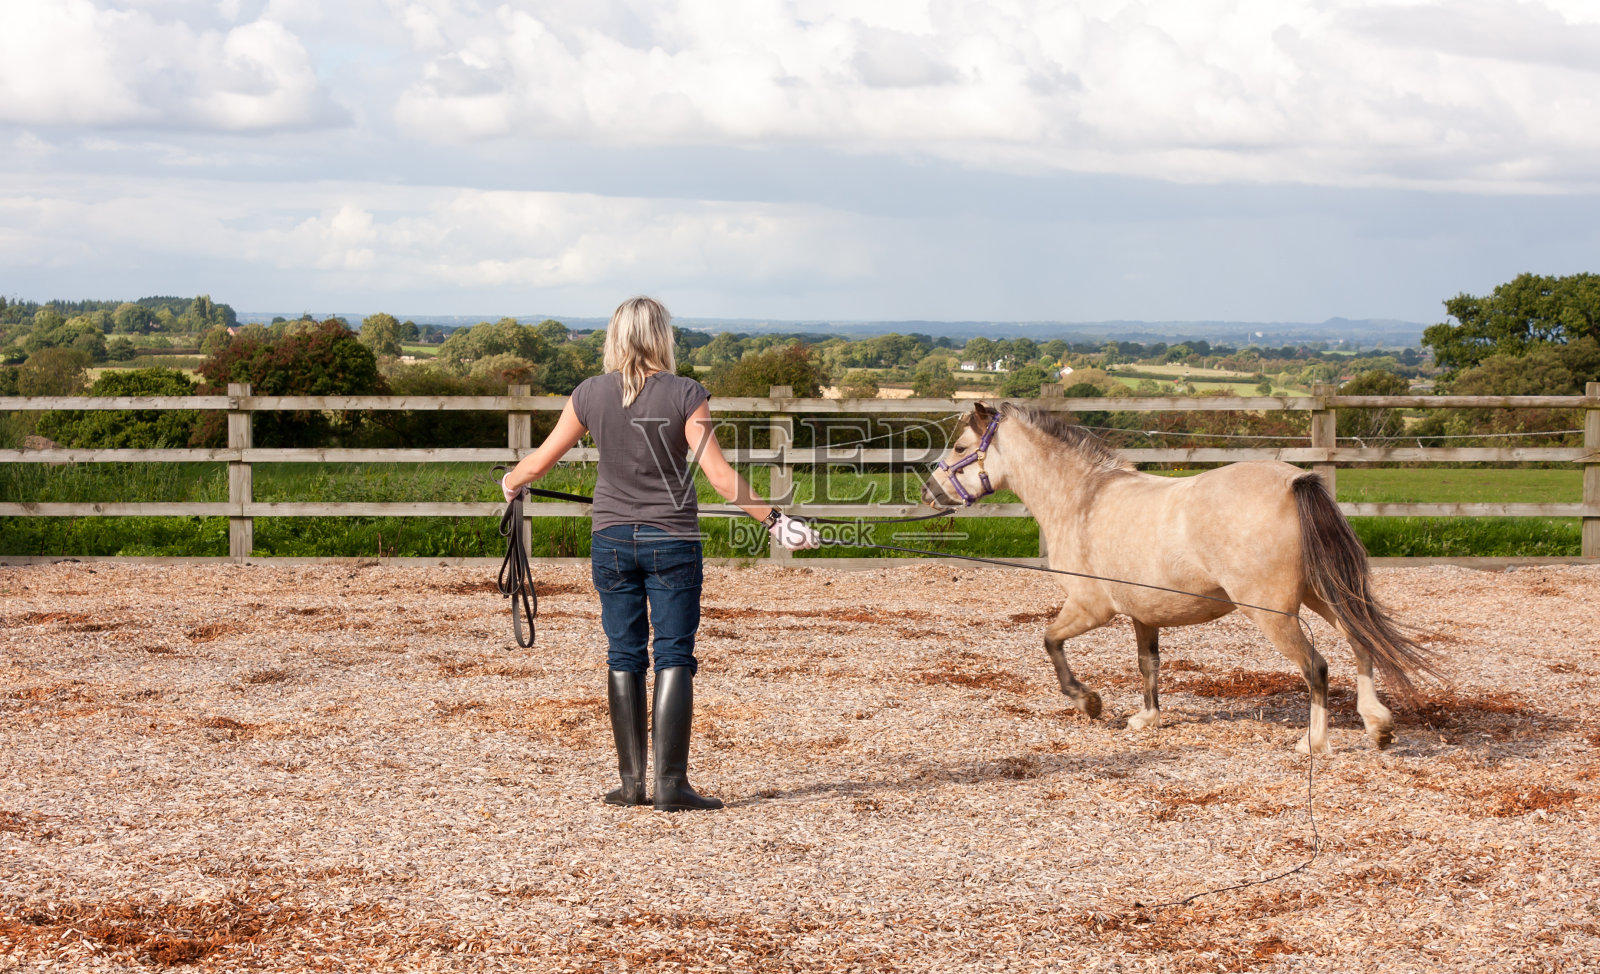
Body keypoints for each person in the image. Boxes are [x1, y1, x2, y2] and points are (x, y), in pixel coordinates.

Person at [499, 296, 819, 812]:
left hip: (612, 541)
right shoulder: (685, 394)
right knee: (674, 654)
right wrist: (777, 522)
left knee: (624, 653)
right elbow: (718, 475)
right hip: (672, 542)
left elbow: (539, 463)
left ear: (615, 336)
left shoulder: (589, 394)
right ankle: (671, 786)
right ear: (661, 337)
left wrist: (511, 482)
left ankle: (631, 786)